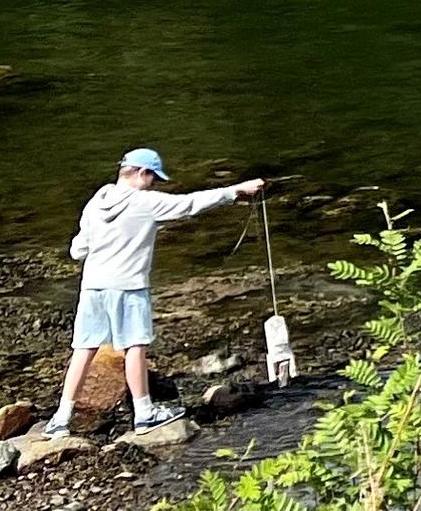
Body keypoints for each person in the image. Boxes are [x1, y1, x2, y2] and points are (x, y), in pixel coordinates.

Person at [47, 147, 265, 436]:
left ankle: (61, 419)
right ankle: (145, 413)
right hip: (128, 286)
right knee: (135, 347)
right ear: (141, 173)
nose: (155, 184)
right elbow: (190, 204)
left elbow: (78, 250)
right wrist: (236, 190)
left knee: (83, 349)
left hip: (92, 287)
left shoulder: (95, 202)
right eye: (154, 178)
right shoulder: (144, 203)